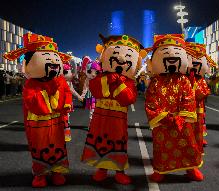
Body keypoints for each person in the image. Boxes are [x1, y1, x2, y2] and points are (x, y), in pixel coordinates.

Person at [3, 33, 72, 188]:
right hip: (39, 123)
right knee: (40, 148)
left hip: (56, 121)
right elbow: (33, 103)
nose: (53, 62)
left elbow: (66, 95)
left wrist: (63, 100)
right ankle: (40, 174)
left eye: (55, 59)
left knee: (58, 146)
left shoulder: (60, 81)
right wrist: (50, 90)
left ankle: (57, 171)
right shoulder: (31, 85)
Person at [81, 34, 146, 185]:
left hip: (118, 120)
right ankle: (102, 169)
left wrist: (119, 84)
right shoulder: (101, 77)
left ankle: (119, 171)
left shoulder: (129, 82)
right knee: (100, 142)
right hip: (101, 118)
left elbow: (128, 99)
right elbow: (96, 90)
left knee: (118, 144)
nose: (122, 59)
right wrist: (108, 80)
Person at [145, 34, 203, 182]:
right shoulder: (155, 82)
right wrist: (164, 116)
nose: (172, 57)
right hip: (163, 122)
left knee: (188, 144)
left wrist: (181, 116)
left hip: (181, 121)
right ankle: (160, 170)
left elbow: (189, 98)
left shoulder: (184, 80)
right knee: (162, 147)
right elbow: (151, 102)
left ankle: (191, 167)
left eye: (177, 54)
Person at [185, 42, 216, 149]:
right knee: (187, 122)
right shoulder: (184, 79)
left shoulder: (201, 80)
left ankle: (200, 138)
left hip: (199, 106)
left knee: (200, 121)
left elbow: (203, 92)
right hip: (186, 107)